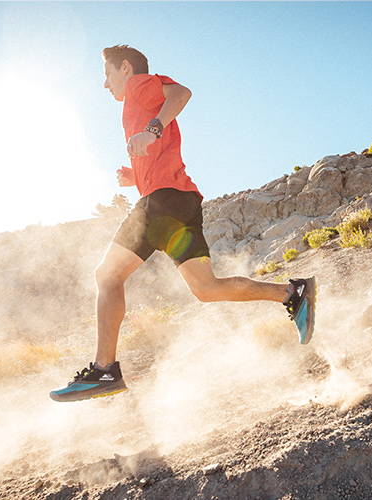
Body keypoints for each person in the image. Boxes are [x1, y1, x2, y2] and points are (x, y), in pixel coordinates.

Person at [50, 45, 315, 403]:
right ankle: (292, 293)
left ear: (124, 68)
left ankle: (104, 369)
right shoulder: (137, 100)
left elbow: (181, 93)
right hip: (179, 201)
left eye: (107, 73)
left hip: (162, 202)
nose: (105, 84)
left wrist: (153, 130)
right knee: (206, 288)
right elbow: (161, 150)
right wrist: (135, 174)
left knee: (107, 276)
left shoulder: (138, 86)